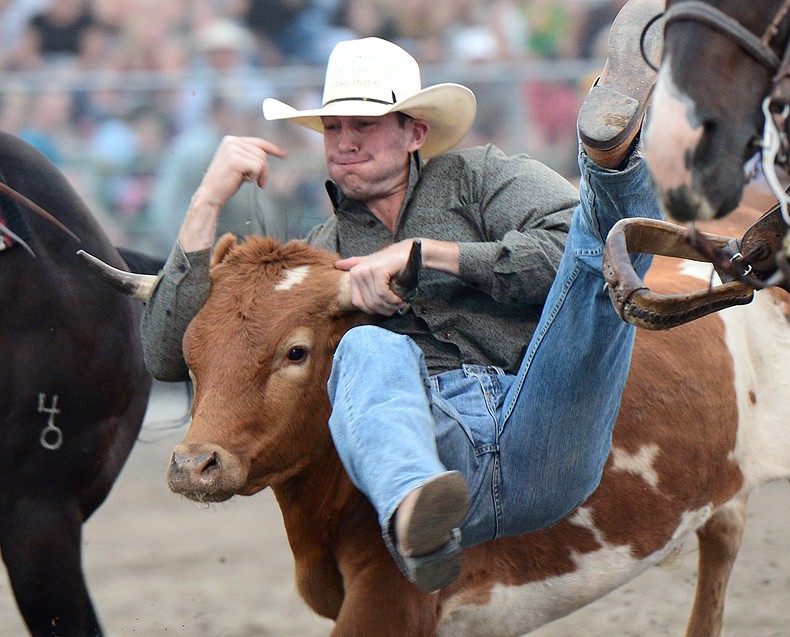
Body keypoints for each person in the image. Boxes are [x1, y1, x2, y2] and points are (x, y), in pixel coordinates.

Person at [140, 0, 663, 592]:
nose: (344, 143)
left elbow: (565, 253)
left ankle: (613, 158)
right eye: (333, 128)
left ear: (415, 133)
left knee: (603, 257)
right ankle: (415, 514)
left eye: (364, 125)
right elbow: (164, 356)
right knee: (363, 347)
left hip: (544, 414)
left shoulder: (483, 177)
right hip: (437, 447)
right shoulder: (322, 250)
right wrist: (206, 203)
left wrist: (426, 254)